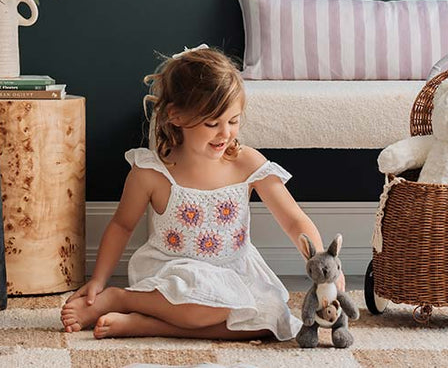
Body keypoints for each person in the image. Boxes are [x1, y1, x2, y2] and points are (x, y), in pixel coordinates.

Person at [61, 46, 344, 341]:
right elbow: (122, 225)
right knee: (203, 303)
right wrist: (98, 280)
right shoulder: (152, 172)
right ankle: (121, 298)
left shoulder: (247, 163)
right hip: (175, 277)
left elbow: (293, 221)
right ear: (176, 116)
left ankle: (148, 325)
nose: (225, 133)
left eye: (233, 121)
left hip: (235, 272)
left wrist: (324, 264)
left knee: (274, 322)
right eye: (213, 124)